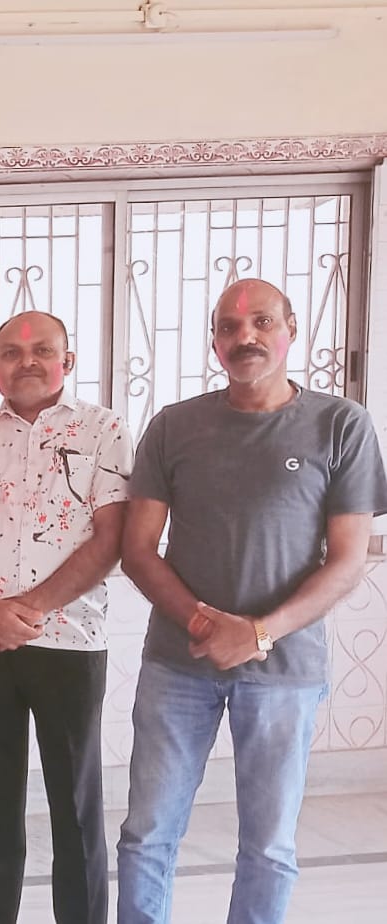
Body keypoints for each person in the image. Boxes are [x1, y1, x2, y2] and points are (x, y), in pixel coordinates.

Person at [115, 278, 387, 924]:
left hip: (285, 669)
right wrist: (204, 623)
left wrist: (258, 632)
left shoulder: (340, 425)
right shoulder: (174, 426)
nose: (245, 336)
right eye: (229, 326)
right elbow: (138, 549)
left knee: (268, 847)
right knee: (147, 835)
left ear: (291, 329)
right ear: (214, 342)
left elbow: (348, 560)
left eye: (262, 321)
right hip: (178, 664)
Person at [0, 311, 131, 924]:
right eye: (12, 354)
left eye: (42, 350)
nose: (28, 362)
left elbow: (111, 538)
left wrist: (28, 610)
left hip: (68, 643)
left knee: (76, 809)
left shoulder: (103, 430)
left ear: (67, 361)